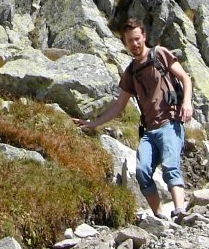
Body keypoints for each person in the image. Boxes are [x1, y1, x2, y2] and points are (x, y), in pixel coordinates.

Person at [75, 19, 195, 224]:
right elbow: (119, 105)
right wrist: (93, 123)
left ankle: (179, 210)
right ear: (125, 43)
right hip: (149, 131)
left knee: (170, 166)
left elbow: (185, 78)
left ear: (144, 37)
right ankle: (159, 217)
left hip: (170, 123)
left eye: (137, 39)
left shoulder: (160, 54)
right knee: (141, 171)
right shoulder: (130, 72)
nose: (135, 44)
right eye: (130, 41)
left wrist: (187, 103)